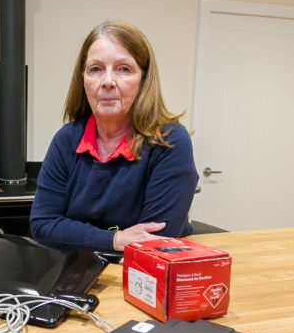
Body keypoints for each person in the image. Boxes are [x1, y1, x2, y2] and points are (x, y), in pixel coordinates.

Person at [30, 20, 199, 251]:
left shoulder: (169, 141)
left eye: (124, 69)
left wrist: (75, 233)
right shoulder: (66, 140)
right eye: (96, 69)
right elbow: (42, 224)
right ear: (83, 79)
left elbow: (155, 241)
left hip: (143, 275)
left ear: (143, 80)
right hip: (78, 269)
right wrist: (115, 240)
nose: (107, 81)